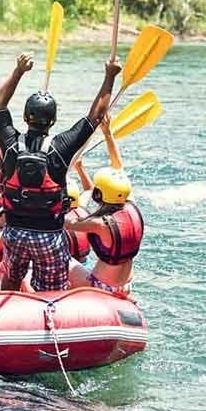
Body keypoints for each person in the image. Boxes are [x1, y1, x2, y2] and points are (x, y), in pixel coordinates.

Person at [0, 52, 122, 291]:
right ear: (52, 121)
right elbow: (95, 116)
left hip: (14, 233)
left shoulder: (10, 142)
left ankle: (8, 298)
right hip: (49, 235)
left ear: (24, 117)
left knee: (10, 279)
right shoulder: (61, 146)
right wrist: (109, 76)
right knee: (51, 290)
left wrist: (18, 71)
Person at [67, 113, 144, 295]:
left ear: (100, 193)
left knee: (64, 258)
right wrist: (107, 134)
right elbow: (119, 167)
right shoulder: (130, 204)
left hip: (100, 285)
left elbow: (66, 223)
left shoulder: (99, 224)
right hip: (125, 286)